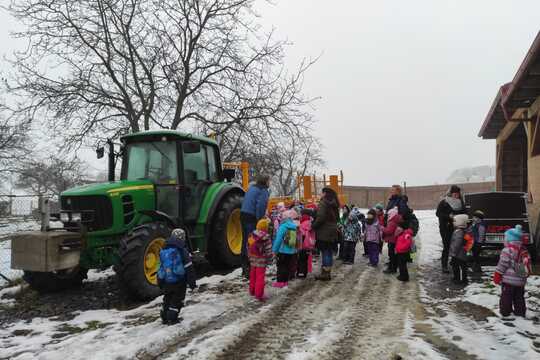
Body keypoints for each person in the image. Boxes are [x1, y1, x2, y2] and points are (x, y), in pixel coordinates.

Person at [157, 228, 197, 325]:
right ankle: (172, 318)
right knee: (177, 300)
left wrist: (160, 281)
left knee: (167, 298)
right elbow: (189, 268)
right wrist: (192, 283)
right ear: (183, 238)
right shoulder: (182, 250)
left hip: (166, 280)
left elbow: (161, 267)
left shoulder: (164, 249)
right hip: (179, 281)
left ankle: (164, 316)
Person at [493, 225, 531, 318]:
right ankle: (520, 312)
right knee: (519, 297)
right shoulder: (524, 250)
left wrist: (497, 275)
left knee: (506, 297)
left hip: (508, 281)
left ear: (509, 239)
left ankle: (505, 312)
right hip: (521, 280)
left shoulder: (507, 250)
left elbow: (503, 264)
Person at [240, 175, 270, 278]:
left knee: (245, 241)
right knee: (252, 241)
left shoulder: (252, 188)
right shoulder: (263, 191)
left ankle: (244, 267)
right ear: (266, 181)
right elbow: (260, 206)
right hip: (252, 217)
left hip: (243, 215)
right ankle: (250, 268)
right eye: (269, 180)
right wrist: (259, 221)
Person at [436, 185, 466, 274]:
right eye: (455, 194)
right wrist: (448, 216)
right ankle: (444, 266)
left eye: (457, 194)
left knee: (456, 245)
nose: (456, 196)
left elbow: (464, 212)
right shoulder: (444, 202)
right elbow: (438, 213)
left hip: (457, 227)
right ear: (451, 193)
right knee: (446, 246)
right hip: (446, 227)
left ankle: (454, 262)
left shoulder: (461, 202)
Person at [312, 187, 340, 281]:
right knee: (329, 252)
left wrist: (313, 226)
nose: (321, 194)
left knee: (325, 252)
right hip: (332, 230)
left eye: (322, 192)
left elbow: (321, 217)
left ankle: (325, 273)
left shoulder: (324, 202)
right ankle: (327, 271)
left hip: (324, 231)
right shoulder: (334, 203)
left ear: (325, 193)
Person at [272, 209, 299, 288]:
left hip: (282, 250)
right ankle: (285, 281)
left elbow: (278, 239)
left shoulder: (283, 226)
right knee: (287, 266)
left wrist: (274, 250)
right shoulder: (293, 226)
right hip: (291, 251)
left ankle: (280, 282)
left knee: (281, 266)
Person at [248, 219, 273, 301]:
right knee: (260, 277)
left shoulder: (252, 235)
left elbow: (248, 246)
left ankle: (252, 291)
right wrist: (270, 260)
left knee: (253, 276)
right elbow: (268, 251)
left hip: (253, 259)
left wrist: (249, 256)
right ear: (266, 228)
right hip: (261, 261)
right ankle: (259, 294)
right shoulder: (266, 237)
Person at [449, 214, 469, 285]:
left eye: (454, 221)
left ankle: (460, 280)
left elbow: (457, 244)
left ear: (460, 222)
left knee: (459, 267)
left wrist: (453, 253)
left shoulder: (459, 232)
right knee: (458, 266)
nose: (453, 222)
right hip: (460, 253)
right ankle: (458, 278)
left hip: (458, 254)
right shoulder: (461, 231)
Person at [383, 207, 402, 274]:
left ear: (392, 214)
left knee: (392, 255)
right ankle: (394, 267)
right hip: (395, 240)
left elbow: (389, 231)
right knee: (394, 255)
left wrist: (383, 228)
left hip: (392, 240)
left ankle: (391, 269)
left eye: (389, 214)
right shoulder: (397, 220)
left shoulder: (392, 222)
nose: (388, 215)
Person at [297, 213, 315, 278]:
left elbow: (301, 235)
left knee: (301, 259)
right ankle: (305, 272)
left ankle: (301, 273)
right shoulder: (311, 224)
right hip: (310, 245)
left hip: (303, 245)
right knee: (306, 259)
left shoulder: (302, 225)